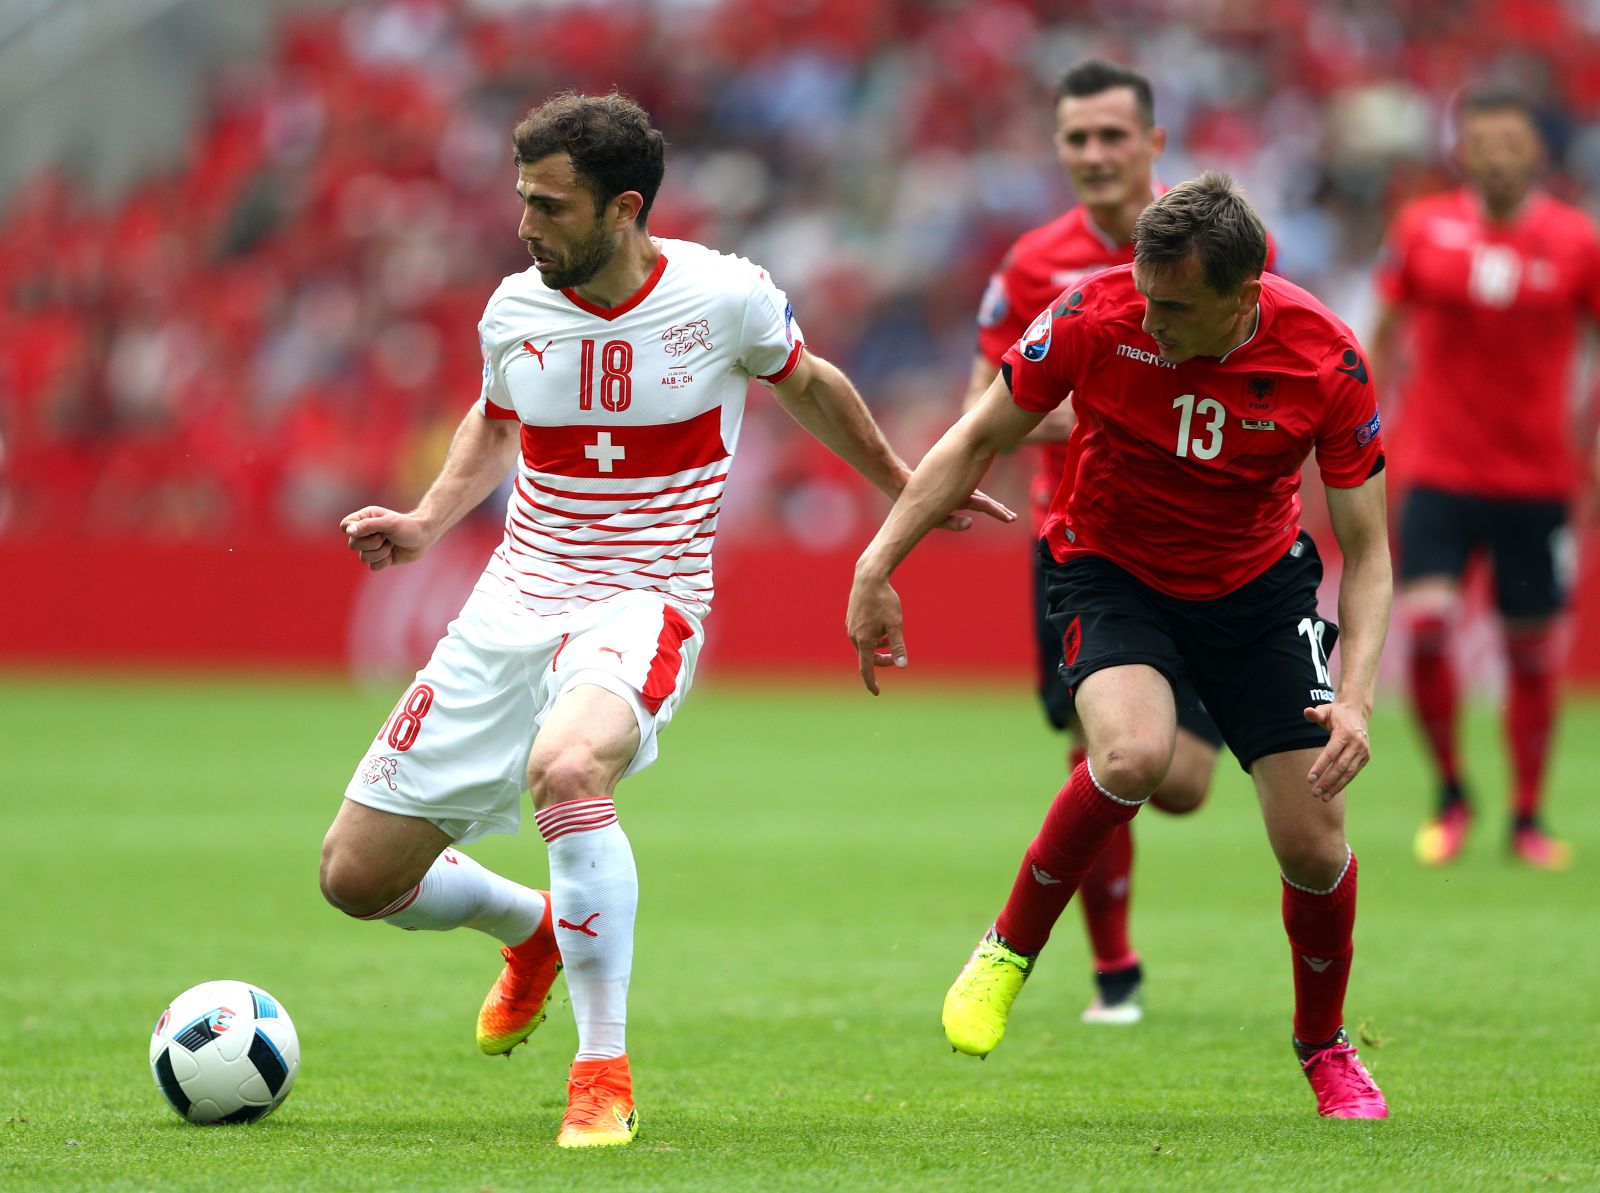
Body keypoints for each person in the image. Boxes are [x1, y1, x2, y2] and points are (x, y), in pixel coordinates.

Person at [319, 90, 1008, 1149]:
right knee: (357, 878)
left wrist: (906, 485)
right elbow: (496, 417)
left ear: (623, 207)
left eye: (548, 206)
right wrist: (424, 520)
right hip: (511, 600)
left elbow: (811, 384)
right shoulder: (514, 309)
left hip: (643, 600)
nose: (524, 225)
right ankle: (535, 927)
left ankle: (601, 1071)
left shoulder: (723, 297)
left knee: (569, 768)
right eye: (522, 200)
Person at [848, 172, 1393, 1119]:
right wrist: (876, 564)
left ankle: (1324, 1045)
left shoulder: (1327, 361)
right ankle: (1008, 948)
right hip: (1111, 566)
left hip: (1260, 593)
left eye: (1176, 307)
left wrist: (1356, 695)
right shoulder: (1094, 314)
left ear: (1243, 296)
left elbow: (1373, 549)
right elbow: (976, 433)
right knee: (1132, 755)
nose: (1153, 319)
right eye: (1145, 294)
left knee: (1313, 844)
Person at [966, 59, 1228, 1025]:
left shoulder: (1219, 248)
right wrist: (1110, 412)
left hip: (1208, 543)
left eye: (1113, 135)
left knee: (1183, 784)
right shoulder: (1033, 266)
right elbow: (981, 408)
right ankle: (1114, 968)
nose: (1094, 154)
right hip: (1082, 544)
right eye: (1076, 137)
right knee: (1102, 749)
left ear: (1154, 143)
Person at [1370, 89, 1600, 871]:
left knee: (1531, 651)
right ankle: (1451, 794)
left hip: (1538, 478)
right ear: (1461, 152)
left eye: (1511, 142)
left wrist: (1590, 447)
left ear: (1536, 152)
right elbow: (1383, 334)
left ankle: (1528, 814)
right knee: (1429, 628)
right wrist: (1364, 432)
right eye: (1482, 142)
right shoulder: (1422, 229)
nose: (1497, 155)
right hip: (1438, 467)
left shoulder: (1576, 241)